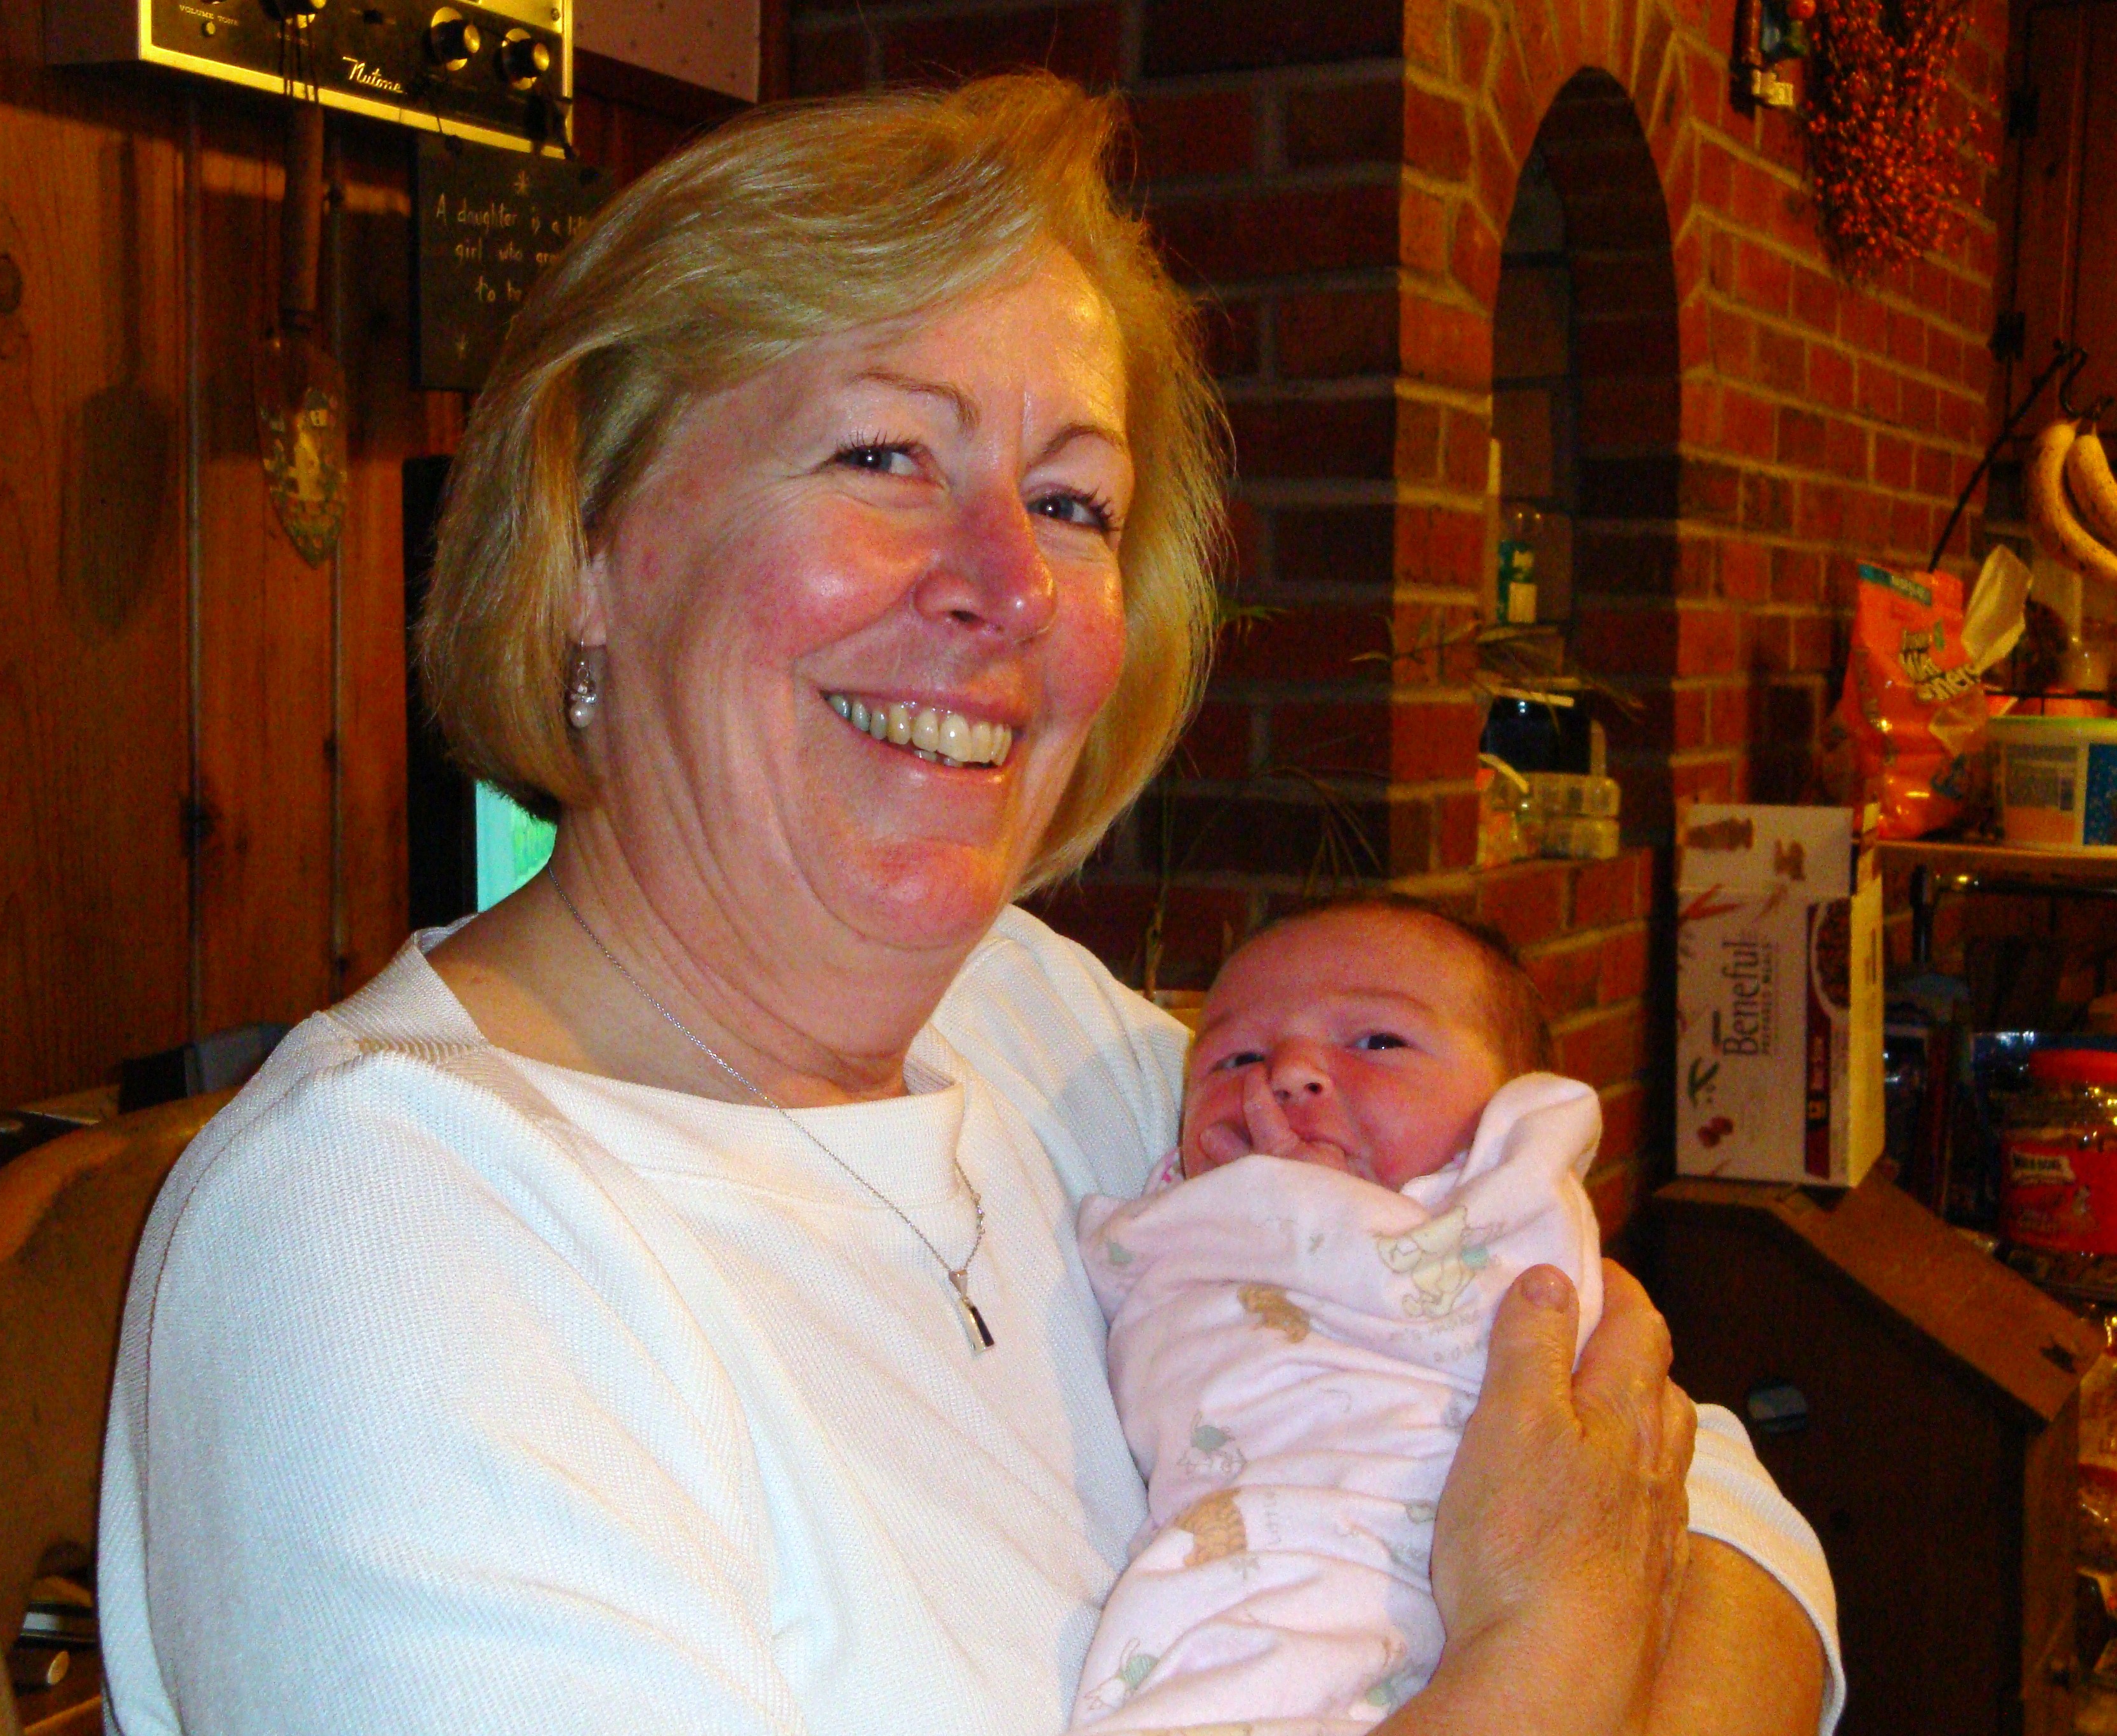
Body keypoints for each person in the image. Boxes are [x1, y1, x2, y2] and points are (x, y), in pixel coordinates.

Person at [98, 73, 1833, 1735]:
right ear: (588, 551)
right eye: (882, 456)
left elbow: (1708, 1506)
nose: (1012, 587)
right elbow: (1596, 1550)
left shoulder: (1030, 1018)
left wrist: (1594, 1603)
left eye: (1071, 502)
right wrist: (1554, 1651)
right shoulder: (388, 1240)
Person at [1070, 899, 1842, 1731]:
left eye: (1378, 1042)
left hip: (1422, 1592)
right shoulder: (1171, 1222)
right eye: (1236, 1058)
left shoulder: (1502, 1217)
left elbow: (1666, 1459)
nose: (1286, 1072)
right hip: (1234, 1605)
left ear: (1506, 1119)